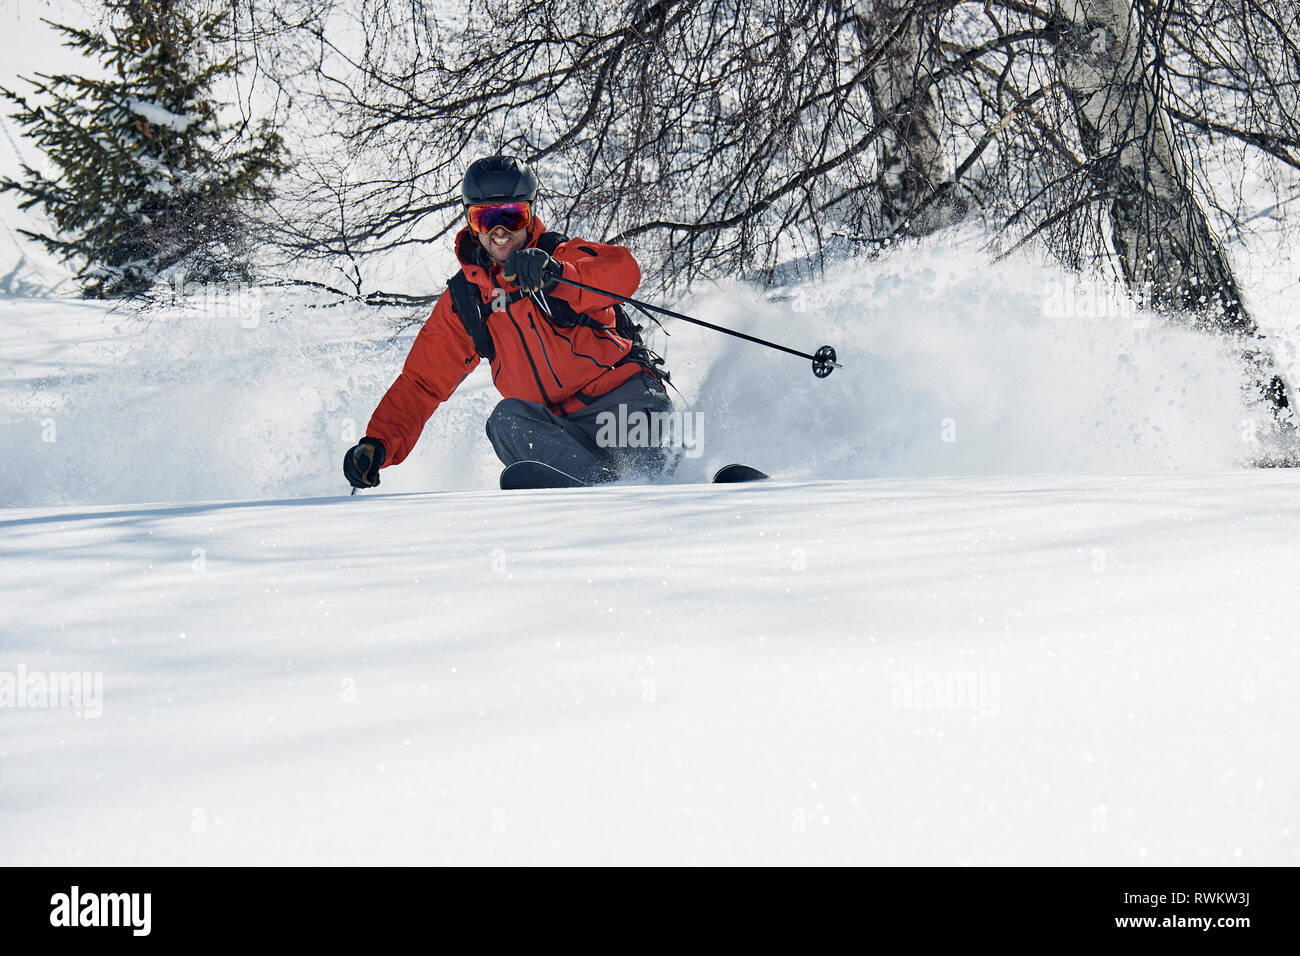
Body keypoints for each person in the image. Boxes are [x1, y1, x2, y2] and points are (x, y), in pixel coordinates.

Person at [343, 155, 674, 490]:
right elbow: (422, 382)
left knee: (646, 472)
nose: (499, 232)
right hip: (556, 431)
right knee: (506, 421)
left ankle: (671, 488)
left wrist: (559, 277)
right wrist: (379, 442)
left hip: (621, 402)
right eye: (485, 219)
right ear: (470, 222)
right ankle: (597, 487)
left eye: (511, 217)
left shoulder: (559, 257)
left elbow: (624, 272)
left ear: (529, 215)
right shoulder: (469, 300)